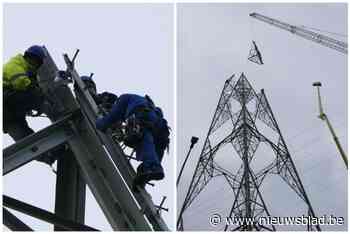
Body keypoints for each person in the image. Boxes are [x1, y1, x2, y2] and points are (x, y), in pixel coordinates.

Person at [95, 93, 170, 188]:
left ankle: (152, 167)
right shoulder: (146, 104)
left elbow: (111, 118)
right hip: (161, 128)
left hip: (145, 116)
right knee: (150, 152)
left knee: (141, 137)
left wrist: (98, 122)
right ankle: (146, 172)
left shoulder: (123, 99)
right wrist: (142, 177)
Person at [3, 45, 46, 141]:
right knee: (33, 93)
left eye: (37, 63)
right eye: (35, 61)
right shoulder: (15, 64)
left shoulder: (27, 71)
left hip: (10, 113)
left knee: (26, 135)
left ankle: (40, 150)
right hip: (5, 107)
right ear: (29, 57)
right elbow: (21, 83)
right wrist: (38, 102)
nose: (35, 64)